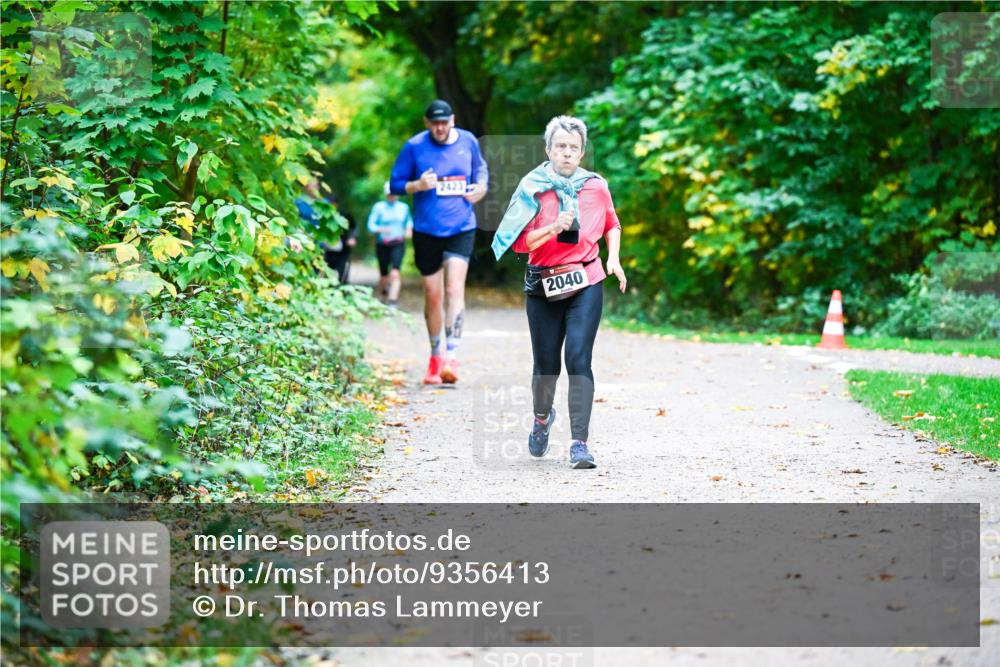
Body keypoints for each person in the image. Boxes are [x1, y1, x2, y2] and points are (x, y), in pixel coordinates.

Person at [491, 115, 626, 469]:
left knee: (579, 359)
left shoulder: (596, 186)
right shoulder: (532, 187)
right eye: (561, 146)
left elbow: (612, 223)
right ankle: (541, 418)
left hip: (586, 279)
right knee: (546, 367)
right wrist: (553, 227)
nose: (567, 153)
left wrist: (613, 259)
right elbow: (519, 243)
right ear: (548, 150)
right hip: (543, 284)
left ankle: (580, 444)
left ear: (582, 153)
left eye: (574, 148)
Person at [390, 99, 489, 385]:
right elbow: (395, 183)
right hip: (426, 230)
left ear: (453, 120)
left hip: (461, 226)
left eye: (444, 122)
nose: (440, 128)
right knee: (433, 295)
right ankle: (435, 356)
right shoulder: (414, 147)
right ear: (426, 123)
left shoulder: (468, 141)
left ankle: (452, 357)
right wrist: (417, 186)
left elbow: (481, 171)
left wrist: (480, 189)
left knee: (454, 287)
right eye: (435, 123)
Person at [294, 179, 357, 283]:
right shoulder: (298, 202)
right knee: (302, 269)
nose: (313, 188)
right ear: (305, 187)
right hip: (302, 242)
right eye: (311, 186)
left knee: (318, 271)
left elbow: (333, 221)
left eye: (315, 186)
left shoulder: (325, 204)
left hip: (320, 244)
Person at [367, 181, 413, 307]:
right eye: (390, 194)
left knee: (395, 273)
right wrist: (380, 229)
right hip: (383, 244)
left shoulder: (403, 208)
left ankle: (393, 300)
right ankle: (382, 295)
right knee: (384, 276)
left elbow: (408, 221)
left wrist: (409, 229)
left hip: (398, 243)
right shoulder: (379, 207)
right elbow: (371, 225)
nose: (392, 196)